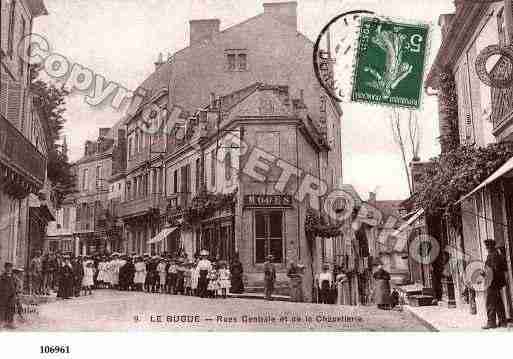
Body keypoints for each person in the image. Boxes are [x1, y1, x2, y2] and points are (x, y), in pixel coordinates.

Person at [482, 239, 508, 329]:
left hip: (492, 283)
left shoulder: (492, 256)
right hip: (496, 283)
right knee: (498, 302)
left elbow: (493, 269)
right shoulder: (497, 255)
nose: (486, 248)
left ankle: (491, 323)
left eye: (487, 246)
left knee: (490, 302)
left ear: (490, 246)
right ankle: (502, 321)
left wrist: (484, 273)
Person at [0, 262, 17, 329]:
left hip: (12, 296)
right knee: (2, 309)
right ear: (5, 268)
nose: (9, 269)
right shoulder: (2, 277)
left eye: (10, 267)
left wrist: (16, 293)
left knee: (11, 309)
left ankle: (10, 323)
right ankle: (2, 322)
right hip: (3, 296)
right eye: (7, 267)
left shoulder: (14, 277)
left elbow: (16, 286)